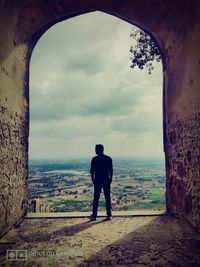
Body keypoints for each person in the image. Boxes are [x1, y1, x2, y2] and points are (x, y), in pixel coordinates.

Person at [90, 144, 113, 221]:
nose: (95, 150)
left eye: (96, 149)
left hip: (98, 181)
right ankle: (109, 215)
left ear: (100, 150)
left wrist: (93, 180)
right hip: (106, 180)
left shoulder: (94, 159)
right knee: (107, 198)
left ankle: (94, 215)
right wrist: (110, 179)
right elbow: (111, 170)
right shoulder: (108, 158)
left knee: (96, 198)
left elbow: (92, 171)